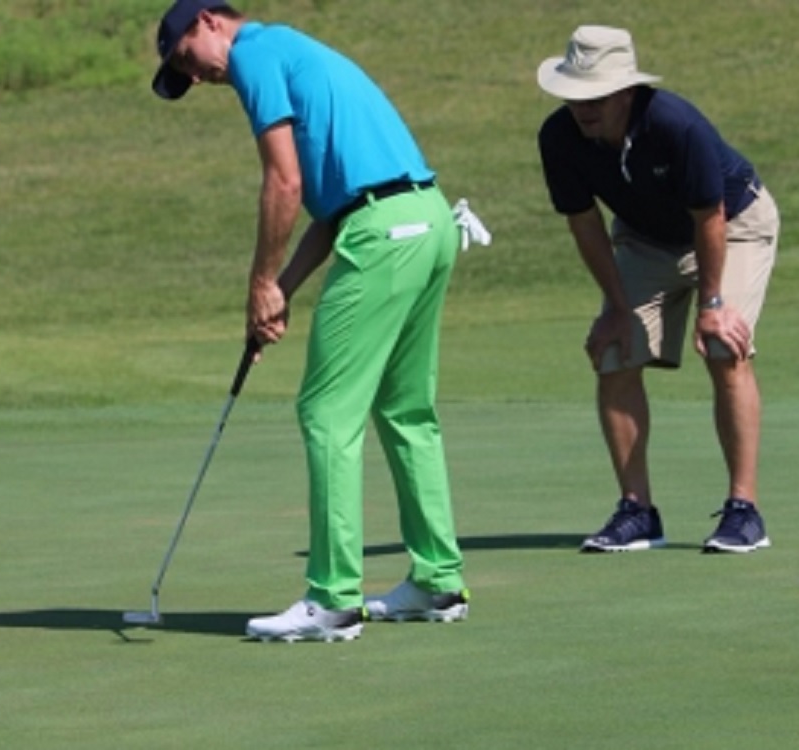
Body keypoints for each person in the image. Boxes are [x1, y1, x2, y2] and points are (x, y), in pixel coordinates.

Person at [151, 0, 471, 642]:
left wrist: (260, 283)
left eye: (189, 59)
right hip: (428, 220)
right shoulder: (294, 52)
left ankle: (332, 599)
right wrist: (282, 293)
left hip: (383, 232)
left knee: (326, 412)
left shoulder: (254, 56)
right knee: (405, 410)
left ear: (210, 21)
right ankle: (437, 580)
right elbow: (332, 210)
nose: (201, 76)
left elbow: (285, 183)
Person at [536, 26, 780, 554]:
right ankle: (637, 511)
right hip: (645, 240)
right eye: (575, 94)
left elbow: (710, 217)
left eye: (596, 95)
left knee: (723, 346)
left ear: (626, 91)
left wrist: (712, 305)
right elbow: (585, 226)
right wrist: (618, 309)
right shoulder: (558, 138)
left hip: (733, 225)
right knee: (615, 354)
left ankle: (745, 511)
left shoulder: (675, 125)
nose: (583, 107)